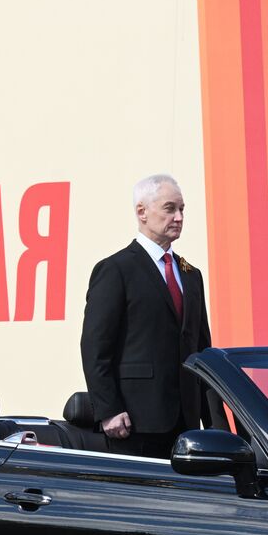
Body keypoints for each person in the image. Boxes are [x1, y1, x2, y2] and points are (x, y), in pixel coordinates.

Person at [81, 174, 223, 459]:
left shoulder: (190, 275)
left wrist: (215, 423)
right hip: (136, 423)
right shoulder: (116, 269)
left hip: (186, 424)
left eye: (182, 209)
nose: (179, 217)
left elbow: (202, 353)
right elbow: (95, 347)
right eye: (170, 208)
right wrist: (108, 410)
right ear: (142, 212)